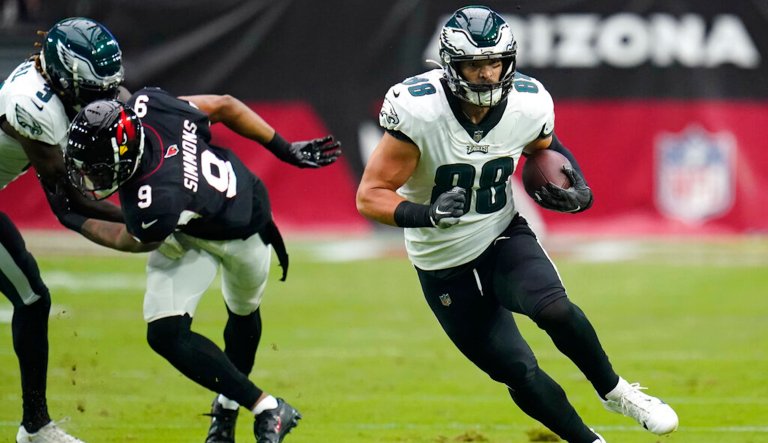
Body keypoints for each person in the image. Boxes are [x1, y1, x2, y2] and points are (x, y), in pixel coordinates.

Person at [356, 6, 679, 443]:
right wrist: (425, 213)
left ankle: (616, 391)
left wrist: (578, 186)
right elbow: (370, 195)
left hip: (500, 235)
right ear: (451, 65)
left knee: (556, 309)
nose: (487, 74)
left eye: (494, 63)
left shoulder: (528, 102)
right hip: (441, 263)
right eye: (474, 64)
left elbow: (547, 148)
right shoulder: (419, 111)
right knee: (519, 371)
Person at [45, 88, 341, 443]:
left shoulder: (156, 200)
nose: (91, 175)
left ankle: (227, 413)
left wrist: (72, 219)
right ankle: (267, 408)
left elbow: (130, 238)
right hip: (200, 219)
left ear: (123, 157)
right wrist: (284, 147)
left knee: (243, 311)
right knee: (165, 332)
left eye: (97, 167)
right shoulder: (149, 106)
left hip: (243, 227)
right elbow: (226, 105)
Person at [0, 17, 125, 443]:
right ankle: (35, 428)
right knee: (33, 299)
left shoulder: (57, 84)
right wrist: (146, 220)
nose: (102, 95)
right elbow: (69, 202)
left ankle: (35, 426)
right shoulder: (31, 106)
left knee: (33, 300)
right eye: (93, 87)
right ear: (63, 73)